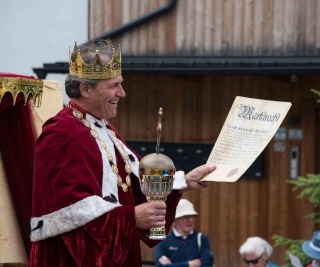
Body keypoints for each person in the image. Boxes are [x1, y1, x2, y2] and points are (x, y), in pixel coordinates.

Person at [27, 40, 216, 267]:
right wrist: (131, 217)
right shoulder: (62, 132)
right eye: (114, 85)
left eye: (121, 84)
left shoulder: (103, 127)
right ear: (86, 89)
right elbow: (70, 211)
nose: (122, 93)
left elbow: (132, 184)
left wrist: (182, 181)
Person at [155, 198, 214, 267]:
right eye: (185, 217)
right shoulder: (164, 241)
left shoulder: (201, 239)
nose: (189, 220)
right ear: (175, 220)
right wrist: (189, 264)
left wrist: (171, 265)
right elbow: (160, 266)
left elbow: (207, 263)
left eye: (191, 216)